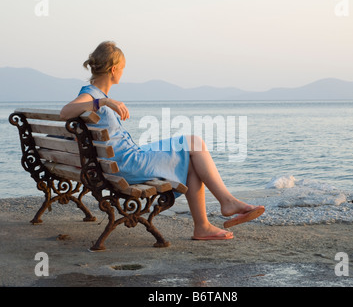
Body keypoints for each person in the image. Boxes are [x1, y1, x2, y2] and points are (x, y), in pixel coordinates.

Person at [60, 41, 265, 241]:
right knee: (194, 143)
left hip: (124, 157)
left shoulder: (91, 94)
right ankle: (226, 203)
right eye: (122, 69)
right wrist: (102, 101)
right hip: (126, 164)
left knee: (193, 152)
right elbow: (65, 112)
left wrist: (102, 101)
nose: (123, 73)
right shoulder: (92, 95)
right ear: (114, 70)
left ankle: (204, 225)